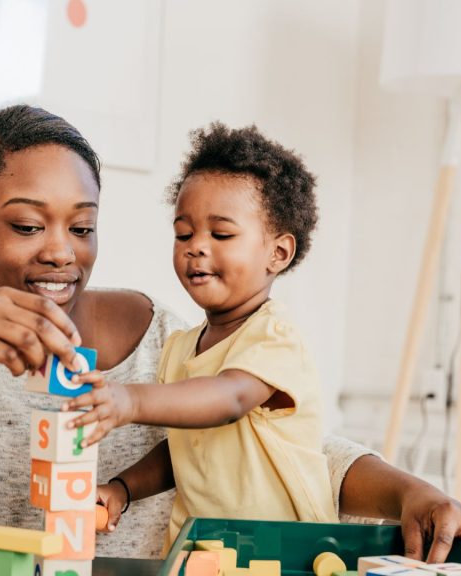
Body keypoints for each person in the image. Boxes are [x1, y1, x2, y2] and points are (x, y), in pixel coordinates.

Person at [0, 104, 461, 572]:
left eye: (82, 227)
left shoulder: (171, 338)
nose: (59, 252)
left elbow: (291, 450)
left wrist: (415, 491)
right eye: (25, 226)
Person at [63, 123, 337, 546]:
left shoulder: (274, 337)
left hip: (284, 554)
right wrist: (122, 488)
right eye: (184, 233)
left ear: (278, 253)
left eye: (222, 234)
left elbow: (228, 400)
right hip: (199, 552)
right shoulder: (179, 349)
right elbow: (185, 451)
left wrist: (130, 399)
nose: (196, 247)